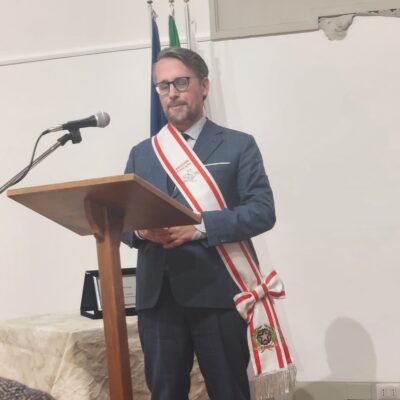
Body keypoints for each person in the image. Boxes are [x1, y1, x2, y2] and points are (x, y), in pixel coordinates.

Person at [122, 47, 276, 400]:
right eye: (163, 86)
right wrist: (141, 230)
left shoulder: (237, 145)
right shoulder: (142, 153)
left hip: (218, 291)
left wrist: (199, 227)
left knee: (228, 391)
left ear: (203, 86)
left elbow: (262, 210)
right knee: (164, 393)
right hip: (158, 298)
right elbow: (121, 220)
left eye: (180, 82)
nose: (172, 93)